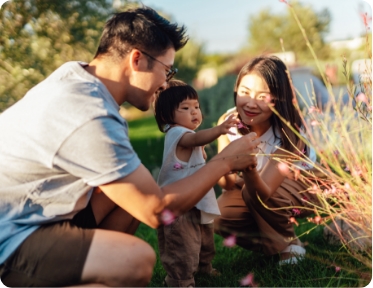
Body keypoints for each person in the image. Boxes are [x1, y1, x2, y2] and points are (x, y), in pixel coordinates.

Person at [0, 5, 260, 287]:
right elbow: (157, 210)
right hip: (13, 237)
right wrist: (225, 162)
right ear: (137, 59)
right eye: (166, 70)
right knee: (135, 260)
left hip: (47, 212)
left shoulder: (77, 77)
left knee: (132, 190)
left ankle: (92, 269)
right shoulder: (88, 111)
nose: (165, 84)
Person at [214, 55, 320, 265]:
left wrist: (248, 166)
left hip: (305, 185)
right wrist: (225, 164)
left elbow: (264, 191)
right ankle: (284, 242)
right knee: (219, 216)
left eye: (263, 97)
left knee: (253, 192)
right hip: (255, 185)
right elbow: (225, 183)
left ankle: (287, 244)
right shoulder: (228, 124)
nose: (250, 103)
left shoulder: (290, 134)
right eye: (244, 92)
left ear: (278, 98)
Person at [154, 79, 238, 287]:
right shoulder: (176, 133)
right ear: (166, 116)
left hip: (196, 199)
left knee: (203, 239)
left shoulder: (188, 134)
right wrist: (219, 130)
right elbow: (196, 140)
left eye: (197, 107)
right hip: (179, 204)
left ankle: (204, 267)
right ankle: (180, 279)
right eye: (185, 108)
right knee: (182, 245)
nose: (194, 112)